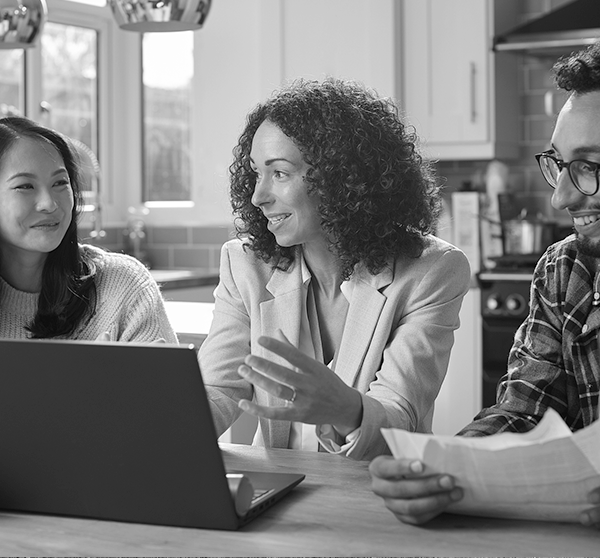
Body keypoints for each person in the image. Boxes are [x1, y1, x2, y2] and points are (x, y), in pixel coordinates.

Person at [369, 42, 600, 527]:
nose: (560, 197)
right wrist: (439, 470)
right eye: (559, 163)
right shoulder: (566, 271)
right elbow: (523, 413)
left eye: (590, 166)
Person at [197, 78, 471, 461]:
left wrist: (345, 409)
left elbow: (400, 414)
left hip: (375, 494)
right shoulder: (245, 264)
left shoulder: (431, 271)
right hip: (276, 490)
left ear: (342, 177)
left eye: (279, 173)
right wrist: (167, 409)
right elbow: (221, 387)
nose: (258, 196)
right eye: (256, 173)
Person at [0, 116, 177, 343]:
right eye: (25, 186)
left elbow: (164, 378)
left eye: (60, 183)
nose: (50, 204)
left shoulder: (124, 286)